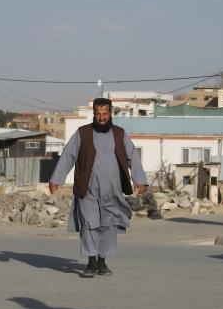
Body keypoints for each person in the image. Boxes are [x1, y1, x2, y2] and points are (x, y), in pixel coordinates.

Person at [48, 98, 148, 277]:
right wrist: (56, 178)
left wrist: (139, 179)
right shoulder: (83, 133)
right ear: (93, 114)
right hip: (88, 189)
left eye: (105, 114)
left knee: (108, 226)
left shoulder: (119, 134)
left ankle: (102, 262)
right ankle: (91, 262)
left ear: (110, 114)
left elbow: (133, 156)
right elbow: (68, 155)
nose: (102, 118)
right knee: (89, 224)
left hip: (113, 190)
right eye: (98, 114)